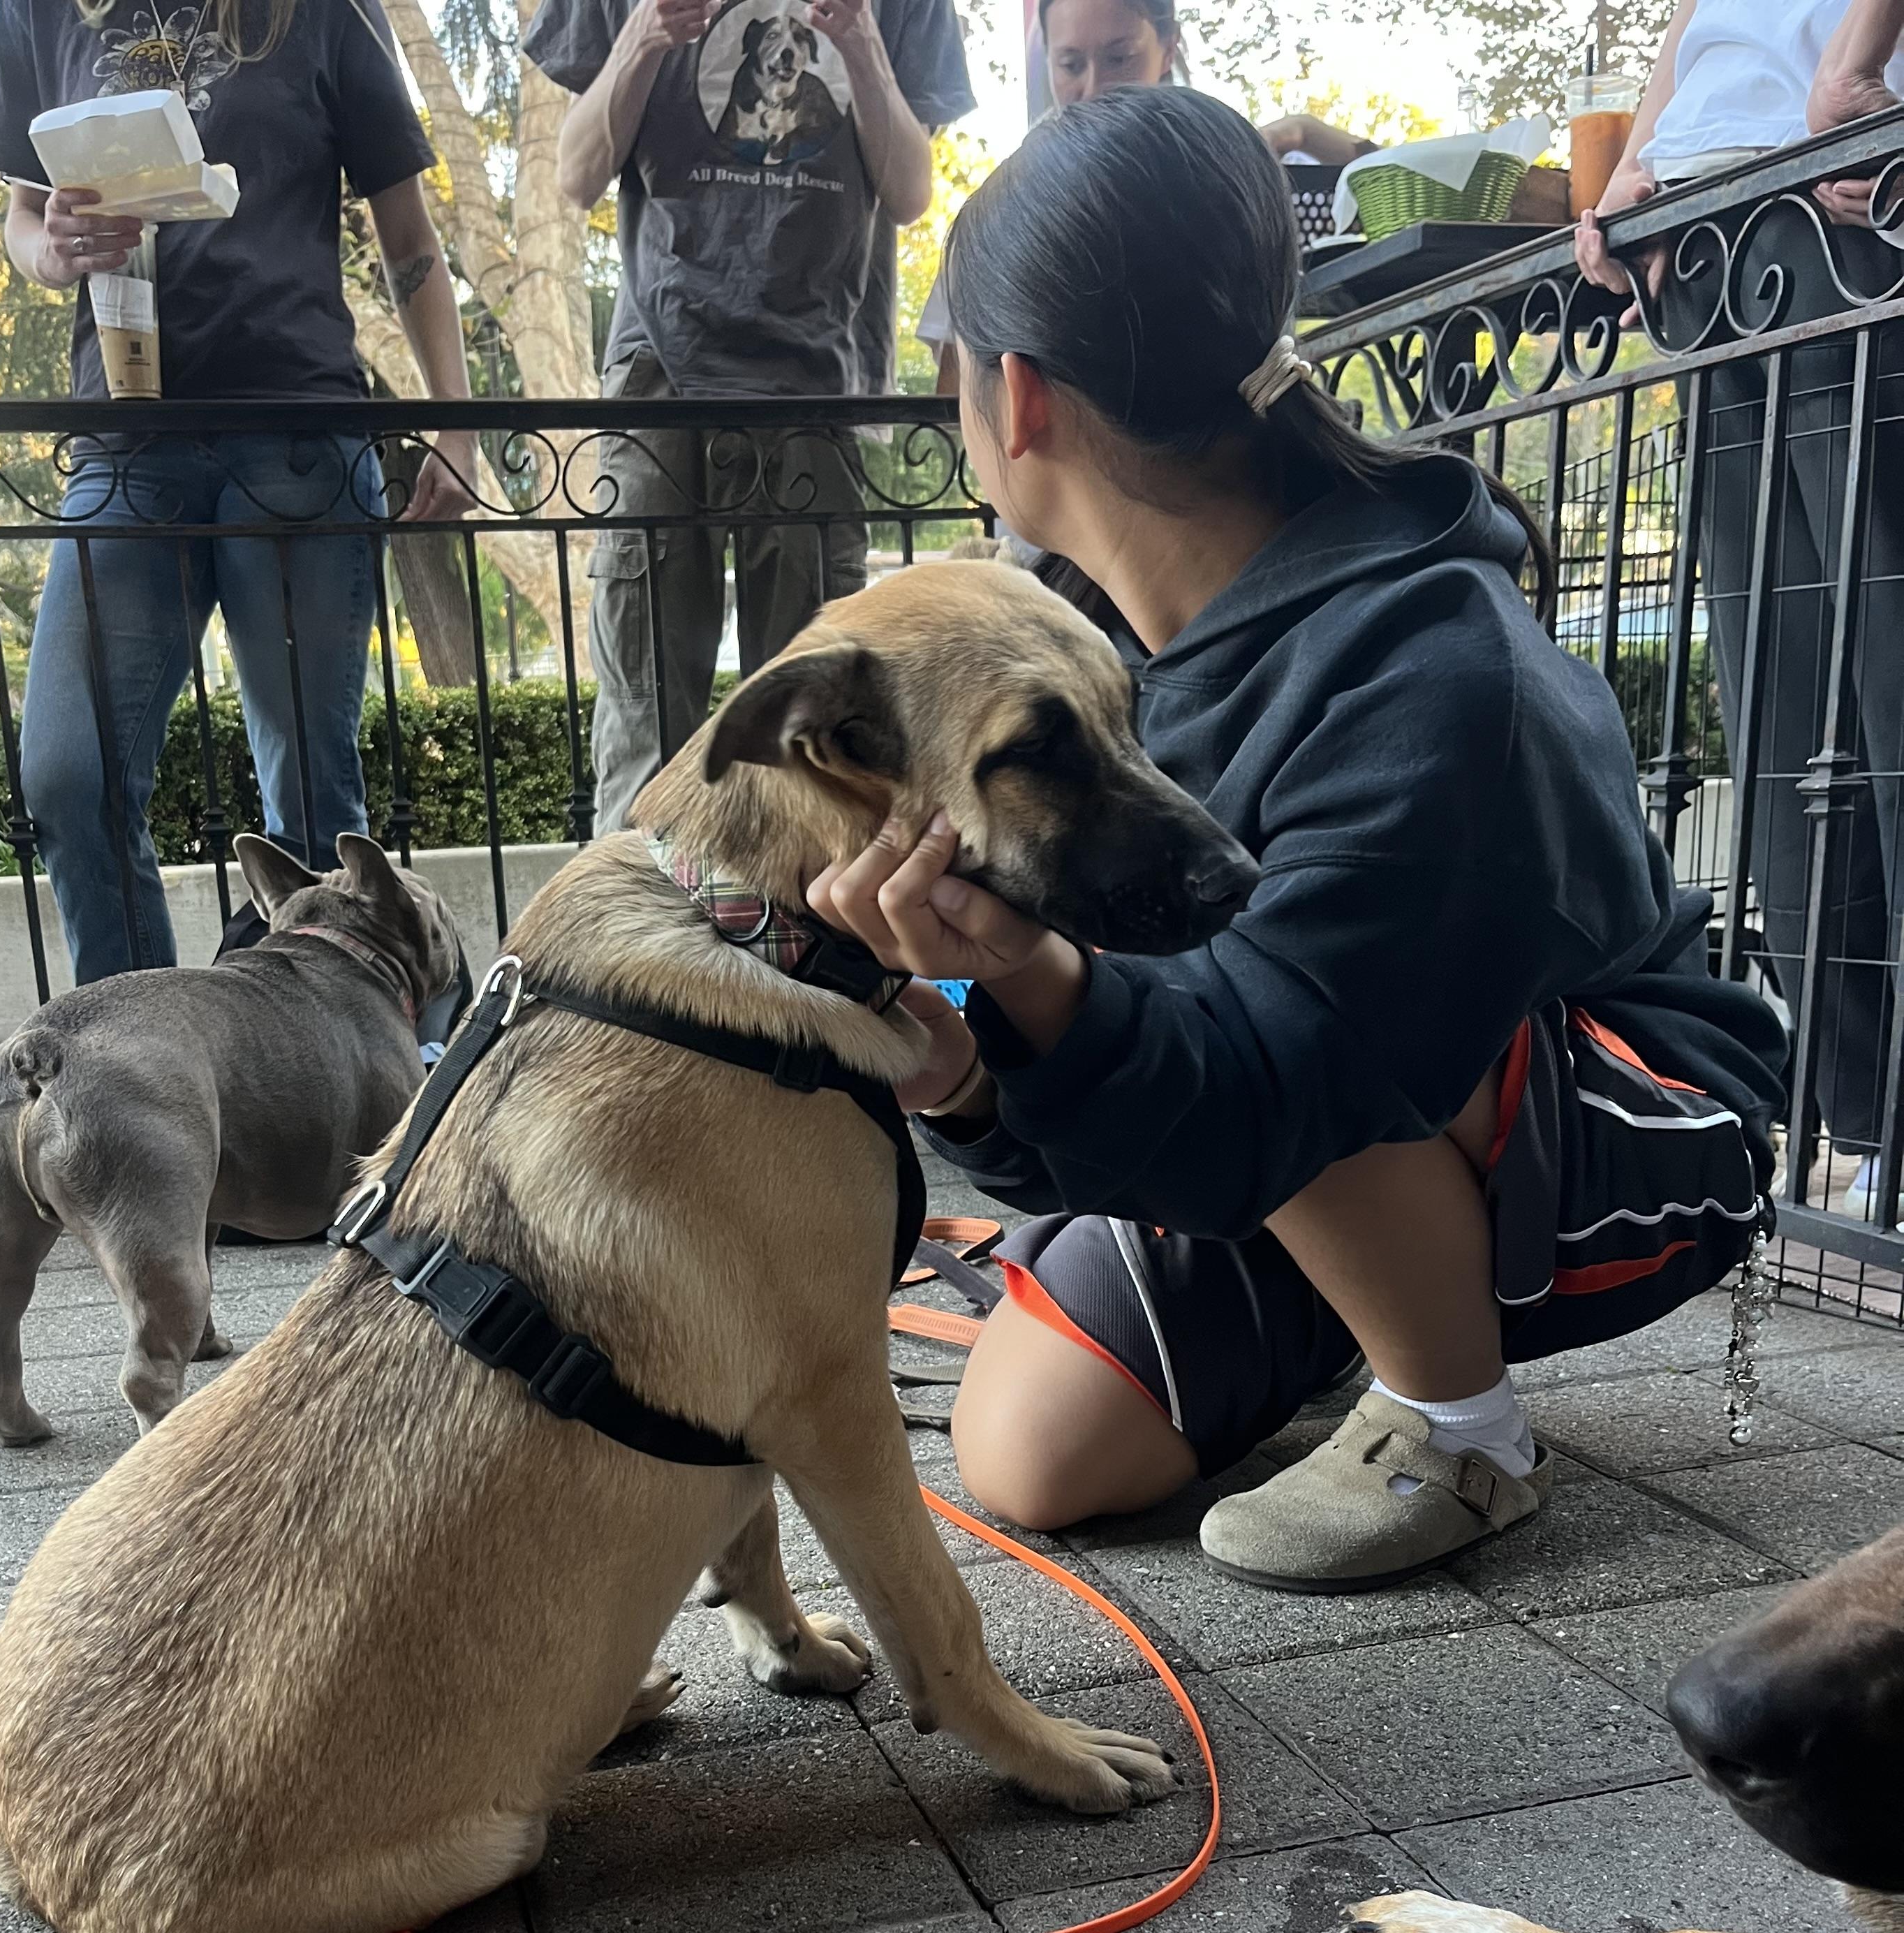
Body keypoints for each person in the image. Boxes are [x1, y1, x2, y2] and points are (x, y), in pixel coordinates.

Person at [808, 87, 1788, 1591]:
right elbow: (1136, 1051)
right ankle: (1363, 1287)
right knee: (1030, 1454)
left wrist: (1042, 994)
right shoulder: (1081, 649)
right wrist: (951, 1046)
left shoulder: (1438, 676)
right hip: (1303, 1094)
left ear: (1015, 397)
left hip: (1624, 1118)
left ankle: (1460, 1422)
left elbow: (1277, 1056)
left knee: (1288, 1014)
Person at [0, 0, 480, 987]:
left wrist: (458, 425)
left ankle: (340, 1091)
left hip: (297, 440)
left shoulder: (327, 10)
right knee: (69, 776)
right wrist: (56, 249)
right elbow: (25, 222)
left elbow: (406, 230)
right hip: (127, 445)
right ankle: (140, 1060)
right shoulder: (38, 11)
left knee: (313, 806)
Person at [1577, 0, 1904, 1212]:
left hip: (1843, 196)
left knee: (1884, 682)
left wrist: (1852, 67)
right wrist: (1629, 173)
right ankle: (1866, 1129)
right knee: (1778, 715)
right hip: (1709, 243)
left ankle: (1883, 1139)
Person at [527, 0, 973, 835]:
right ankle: (623, 952)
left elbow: (912, 190)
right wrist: (643, 36)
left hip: (818, 385)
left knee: (814, 727)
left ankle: (806, 950)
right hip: (661, 376)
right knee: (645, 722)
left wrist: (862, 44)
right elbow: (576, 173)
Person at [921, 0, 1179, 391]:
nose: (1093, 90)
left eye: (1119, 59)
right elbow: (957, 384)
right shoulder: (1005, 208)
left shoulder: (1214, 188)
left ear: (1169, 49)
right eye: (1071, 65)